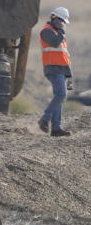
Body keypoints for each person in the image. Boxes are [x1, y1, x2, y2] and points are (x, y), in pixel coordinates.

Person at [38, 7, 73, 137]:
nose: (62, 24)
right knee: (61, 95)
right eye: (60, 21)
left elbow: (64, 55)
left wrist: (69, 75)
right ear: (53, 18)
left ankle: (56, 128)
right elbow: (54, 43)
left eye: (63, 22)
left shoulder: (58, 33)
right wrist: (61, 33)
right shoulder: (47, 31)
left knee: (59, 97)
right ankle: (45, 119)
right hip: (53, 68)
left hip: (61, 69)